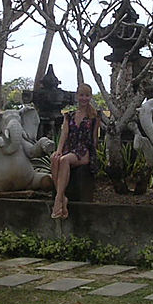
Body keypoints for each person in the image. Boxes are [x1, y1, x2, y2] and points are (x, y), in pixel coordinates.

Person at [50, 83, 100, 219]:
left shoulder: (94, 116)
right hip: (70, 148)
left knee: (64, 160)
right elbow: (64, 135)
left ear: (90, 97)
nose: (84, 98)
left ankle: (57, 200)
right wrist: (59, 150)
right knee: (55, 159)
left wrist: (93, 156)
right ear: (77, 96)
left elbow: (94, 139)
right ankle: (63, 199)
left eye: (87, 95)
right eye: (81, 95)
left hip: (84, 151)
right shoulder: (69, 116)